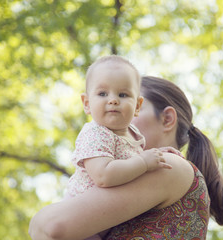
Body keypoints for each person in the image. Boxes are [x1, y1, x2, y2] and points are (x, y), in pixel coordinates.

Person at [29, 76, 223, 240]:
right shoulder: (145, 175)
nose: (115, 116)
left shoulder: (169, 165)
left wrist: (37, 221)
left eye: (132, 107)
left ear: (167, 119)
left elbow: (52, 227)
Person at [64, 56, 172, 239]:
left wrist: (158, 155)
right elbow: (103, 176)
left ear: (137, 106)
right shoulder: (96, 133)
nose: (113, 100)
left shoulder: (133, 134)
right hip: (78, 223)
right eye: (102, 94)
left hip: (104, 222)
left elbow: (131, 165)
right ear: (87, 104)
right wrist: (144, 162)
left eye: (123, 95)